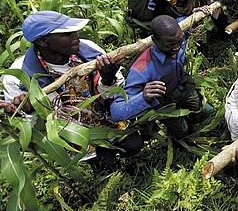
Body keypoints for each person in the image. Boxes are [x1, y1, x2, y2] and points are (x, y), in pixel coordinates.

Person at [2, 11, 144, 172]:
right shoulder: (18, 78)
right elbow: (31, 127)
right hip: (74, 133)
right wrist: (28, 111)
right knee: (105, 167)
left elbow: (113, 93)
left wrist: (108, 78)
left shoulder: (88, 49)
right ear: (43, 41)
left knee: (135, 145)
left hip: (106, 118)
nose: (76, 35)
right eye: (67, 34)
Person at [110, 15, 209, 137]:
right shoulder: (141, 69)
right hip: (165, 103)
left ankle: (191, 118)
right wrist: (143, 97)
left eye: (180, 41)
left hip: (183, 87)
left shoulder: (176, 36)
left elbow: (183, 20)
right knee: (184, 132)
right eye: (169, 45)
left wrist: (197, 13)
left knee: (206, 111)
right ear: (155, 40)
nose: (177, 48)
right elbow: (116, 111)